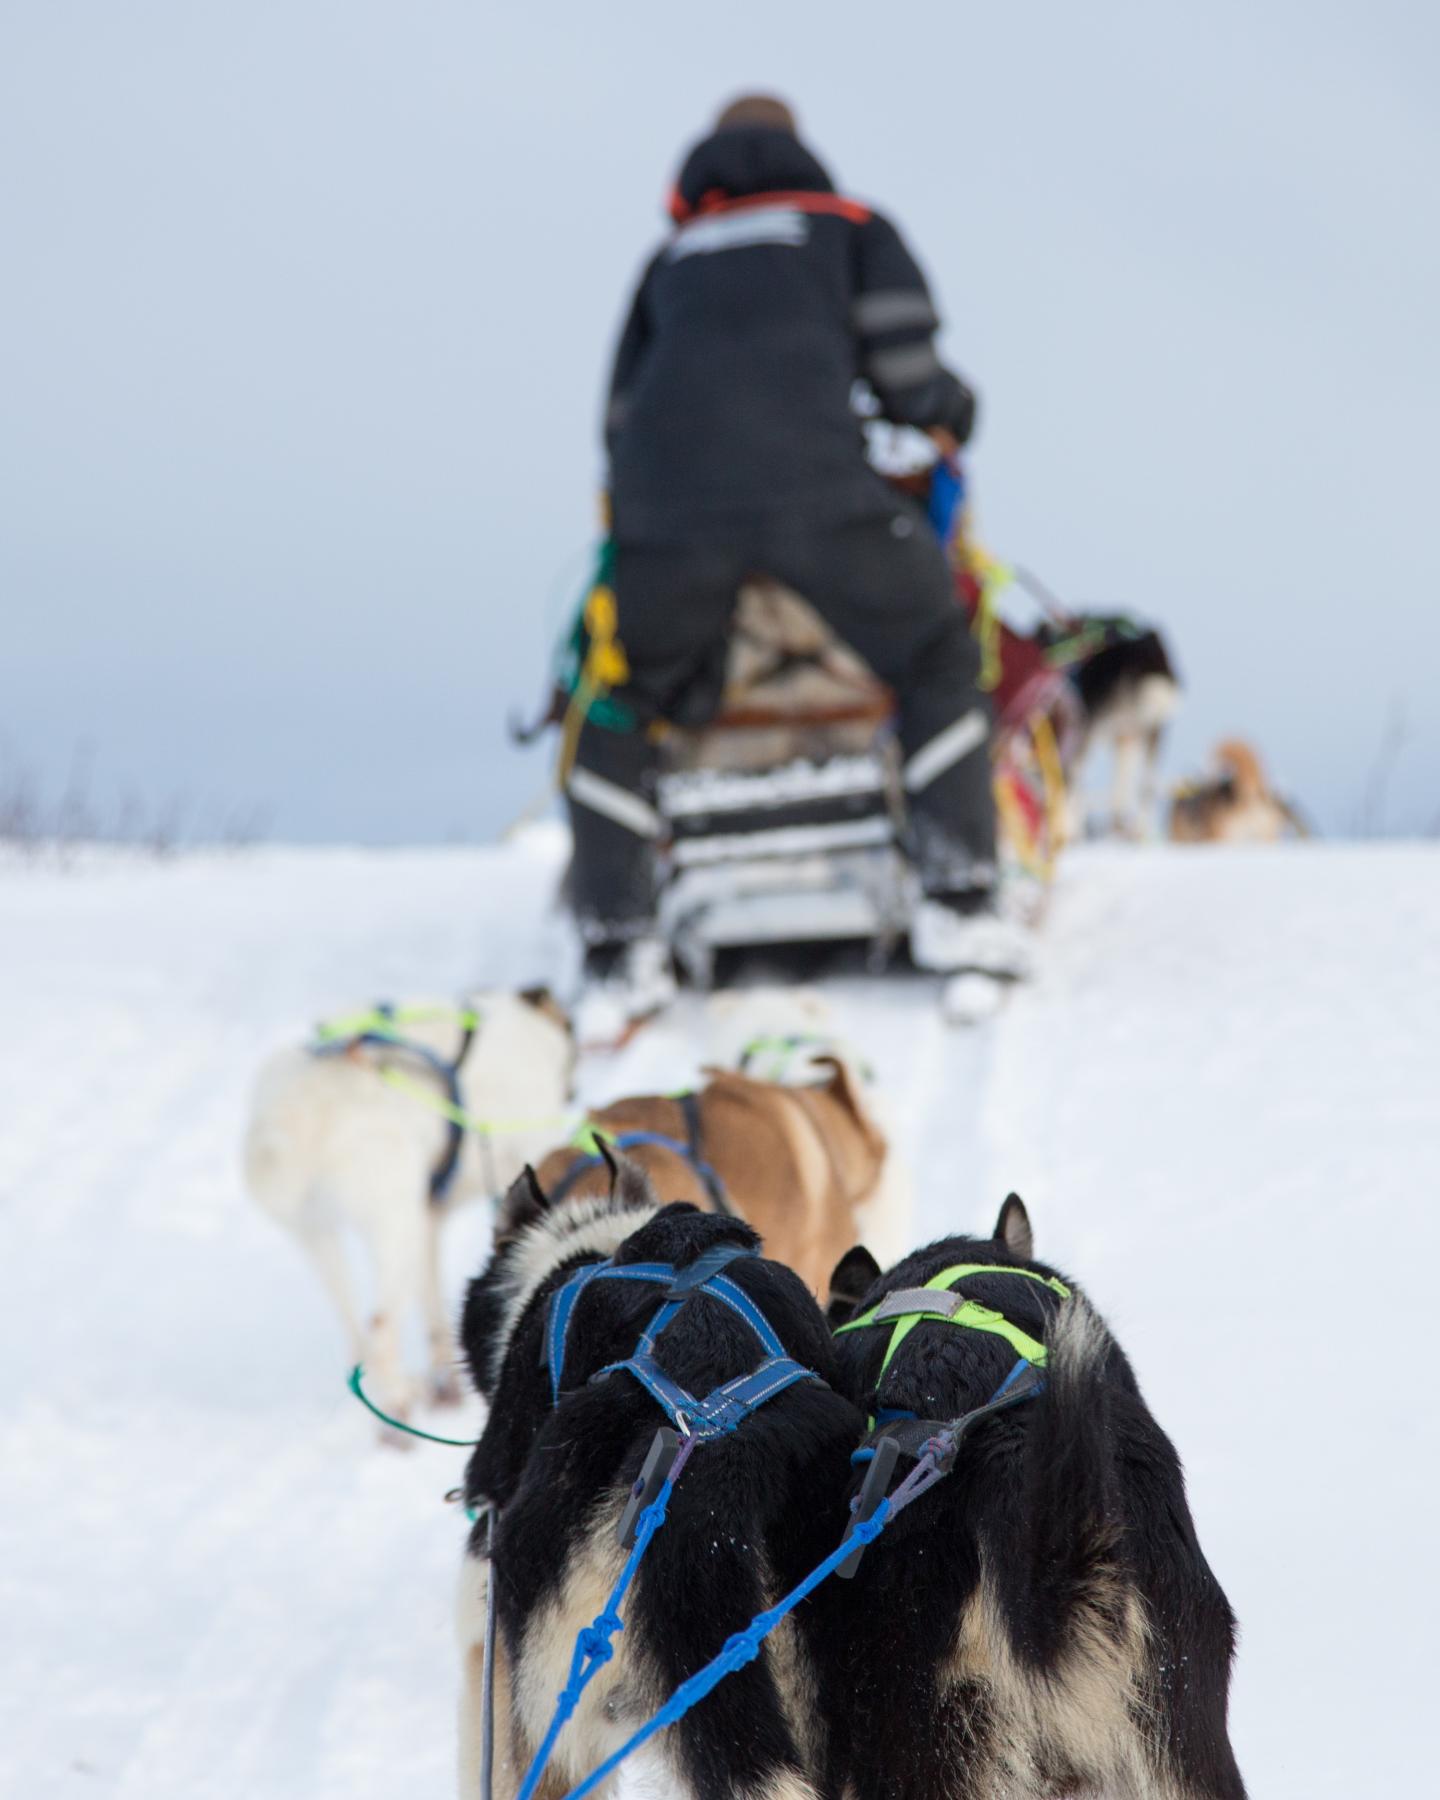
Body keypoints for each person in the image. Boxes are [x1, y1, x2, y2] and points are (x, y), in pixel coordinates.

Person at [568, 93, 1029, 1028]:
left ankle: (617, 946)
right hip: (819, 498)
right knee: (939, 651)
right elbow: (909, 380)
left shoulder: (667, 263)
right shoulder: (850, 227)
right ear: (800, 155)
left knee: (622, 694)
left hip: (668, 517)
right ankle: (961, 899)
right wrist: (952, 408)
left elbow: (617, 423)